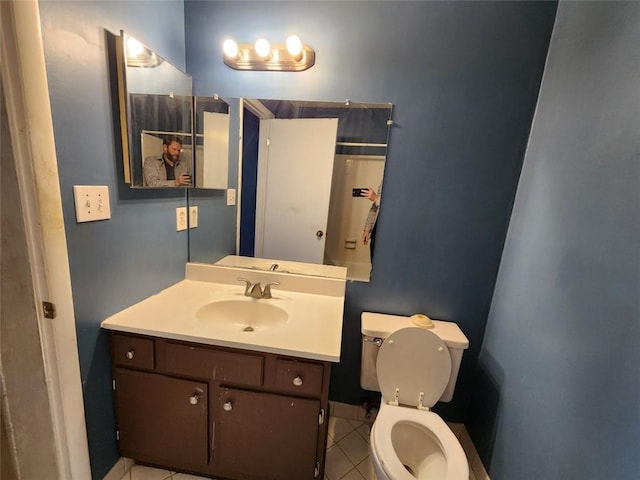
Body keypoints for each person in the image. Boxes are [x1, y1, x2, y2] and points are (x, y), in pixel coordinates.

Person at [361, 181, 382, 261]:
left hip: (389, 233)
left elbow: (396, 206)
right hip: (375, 231)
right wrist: (367, 229)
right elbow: (374, 208)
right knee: (374, 261)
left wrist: (376, 198)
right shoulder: (385, 180)